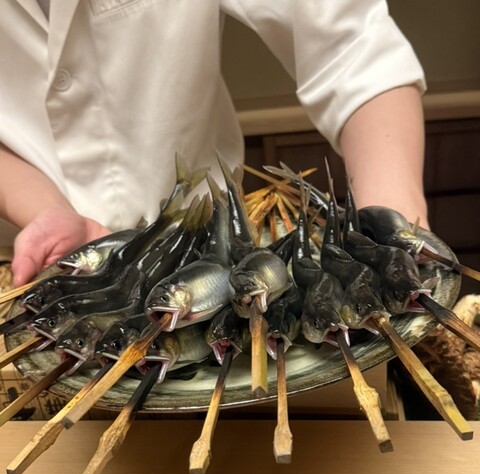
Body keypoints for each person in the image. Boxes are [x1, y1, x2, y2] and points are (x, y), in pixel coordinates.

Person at [0, 1, 428, 288]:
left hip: (212, 251)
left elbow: (352, 47)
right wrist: (43, 209)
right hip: (33, 266)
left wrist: (393, 232)